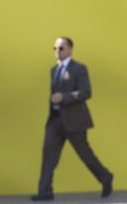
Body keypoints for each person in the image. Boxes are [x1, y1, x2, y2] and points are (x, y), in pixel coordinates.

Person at [31, 37, 113, 201]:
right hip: (55, 121)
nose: (57, 51)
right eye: (55, 48)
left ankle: (106, 177)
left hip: (74, 121)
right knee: (48, 156)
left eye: (60, 48)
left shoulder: (79, 69)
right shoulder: (54, 70)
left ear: (70, 49)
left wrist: (64, 97)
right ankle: (45, 192)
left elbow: (85, 92)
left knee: (85, 155)